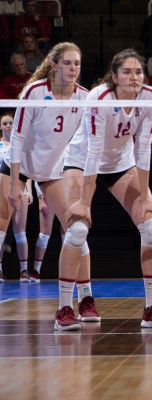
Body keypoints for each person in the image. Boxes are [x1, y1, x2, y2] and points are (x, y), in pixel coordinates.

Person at [61, 48, 152, 330]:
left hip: (121, 163)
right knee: (77, 228)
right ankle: (65, 308)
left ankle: (151, 308)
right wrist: (85, 202)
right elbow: (94, 150)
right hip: (81, 160)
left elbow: (144, 148)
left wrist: (146, 196)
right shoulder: (99, 97)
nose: (134, 77)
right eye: (127, 72)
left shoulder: (150, 97)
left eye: (138, 71)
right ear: (114, 76)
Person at [4, 42, 101, 330]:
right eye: (68, 63)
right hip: (16, 165)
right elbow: (18, 138)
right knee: (1, 221)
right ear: (55, 64)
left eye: (77, 64)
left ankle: (84, 298)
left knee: (76, 230)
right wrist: (14, 184)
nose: (73, 69)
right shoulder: (35, 92)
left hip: (52, 171)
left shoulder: (84, 98)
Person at [0, 112, 33, 283]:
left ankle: (24, 270)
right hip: (3, 186)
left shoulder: (20, 144)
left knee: (20, 231)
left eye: (10, 123)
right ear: (0, 127)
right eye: (4, 123)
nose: (8, 126)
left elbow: (29, 168)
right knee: (1, 229)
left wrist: (29, 191)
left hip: (21, 187)